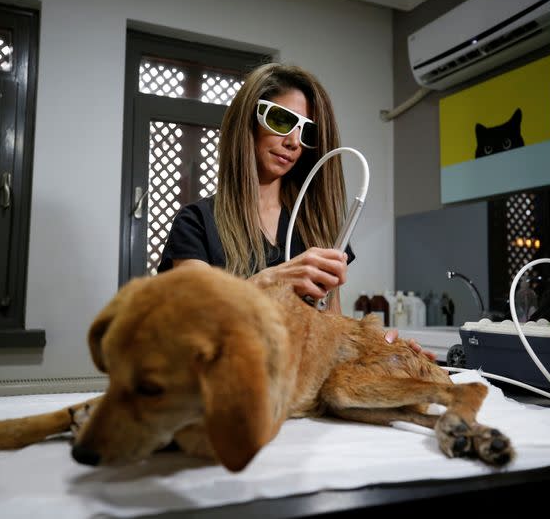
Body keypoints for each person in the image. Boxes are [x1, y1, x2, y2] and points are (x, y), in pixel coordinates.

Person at [157, 62, 434, 360]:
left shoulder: (316, 227)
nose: (293, 142)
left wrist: (371, 348)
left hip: (295, 397)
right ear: (247, 122)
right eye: (280, 120)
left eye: (306, 132)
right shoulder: (197, 223)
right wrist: (270, 281)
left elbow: (331, 329)